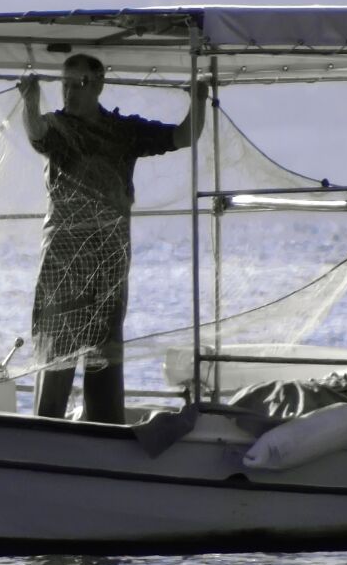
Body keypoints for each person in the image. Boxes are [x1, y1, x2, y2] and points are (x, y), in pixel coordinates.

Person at [18, 54, 209, 424]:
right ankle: (45, 431)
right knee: (57, 349)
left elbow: (184, 136)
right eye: (66, 84)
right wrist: (29, 100)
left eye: (80, 84)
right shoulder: (57, 128)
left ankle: (104, 429)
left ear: (99, 85)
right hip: (65, 260)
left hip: (108, 259)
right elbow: (35, 133)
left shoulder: (124, 131)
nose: (71, 92)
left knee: (105, 352)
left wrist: (198, 99)